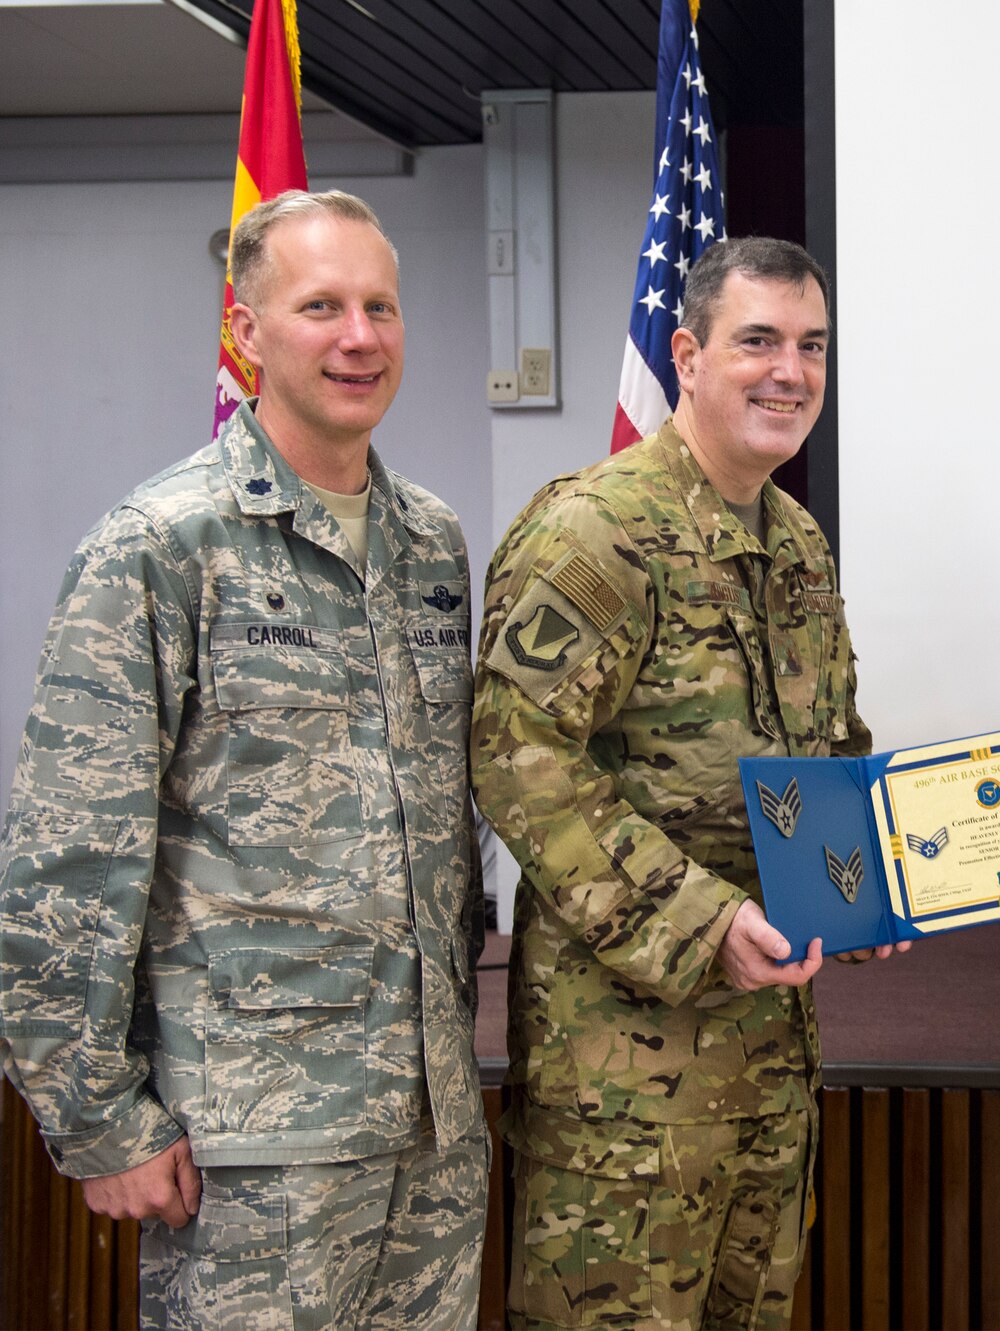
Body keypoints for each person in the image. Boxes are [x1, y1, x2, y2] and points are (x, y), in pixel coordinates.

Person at [0, 189, 488, 1327]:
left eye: (380, 305)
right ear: (246, 330)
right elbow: (69, 852)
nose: (358, 336)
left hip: (430, 1126)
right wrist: (97, 1117)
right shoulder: (161, 542)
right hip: (252, 1142)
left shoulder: (432, 540)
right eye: (320, 305)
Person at [473, 237, 892, 1330]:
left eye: (810, 345)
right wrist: (703, 920)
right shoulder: (599, 531)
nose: (788, 371)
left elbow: (827, 741)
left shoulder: (793, 539)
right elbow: (519, 760)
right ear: (689, 355)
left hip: (768, 1063)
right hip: (625, 1082)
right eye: (757, 340)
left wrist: (872, 878)